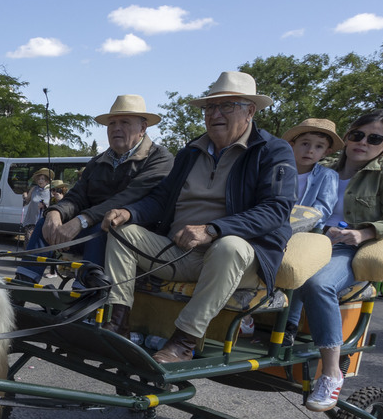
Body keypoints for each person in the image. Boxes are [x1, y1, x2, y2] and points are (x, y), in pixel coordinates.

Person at [100, 71, 296, 364]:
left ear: (250, 111)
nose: (215, 113)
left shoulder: (272, 151)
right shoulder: (191, 151)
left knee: (229, 246)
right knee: (122, 232)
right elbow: (161, 199)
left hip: (235, 260)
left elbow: (276, 209)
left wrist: (214, 229)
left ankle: (182, 342)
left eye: (227, 106)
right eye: (210, 107)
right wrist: (130, 212)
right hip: (178, 251)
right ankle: (117, 327)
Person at [294, 110, 383, 411]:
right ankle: (270, 333)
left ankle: (332, 373)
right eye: (357, 135)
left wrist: (367, 232)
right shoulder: (324, 167)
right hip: (311, 238)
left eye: (374, 139)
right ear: (346, 137)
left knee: (316, 282)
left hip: (348, 247)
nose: (363, 142)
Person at [42, 94, 173, 267]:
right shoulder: (97, 161)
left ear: (143, 128)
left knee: (105, 228)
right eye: (112, 123)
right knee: (46, 224)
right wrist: (56, 211)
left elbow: (128, 197)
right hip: (90, 228)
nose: (116, 128)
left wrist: (82, 220)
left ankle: (88, 288)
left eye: (124, 122)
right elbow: (77, 196)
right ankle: (23, 282)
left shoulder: (159, 158)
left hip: (132, 233)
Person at [277, 118, 344, 345]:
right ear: (292, 145)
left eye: (318, 147)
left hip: (306, 233)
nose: (310, 150)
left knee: (297, 267)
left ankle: (290, 323)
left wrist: (295, 219)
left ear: (326, 152)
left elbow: (322, 209)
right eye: (305, 144)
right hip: (274, 228)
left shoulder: (327, 176)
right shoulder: (278, 170)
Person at [21, 168, 52, 241]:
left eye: (42, 179)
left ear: (47, 181)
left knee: (39, 243)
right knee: (29, 242)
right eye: (39, 179)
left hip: (43, 222)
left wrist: (44, 206)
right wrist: (25, 196)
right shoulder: (34, 189)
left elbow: (52, 206)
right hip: (31, 221)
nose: (40, 181)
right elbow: (26, 202)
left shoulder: (50, 192)